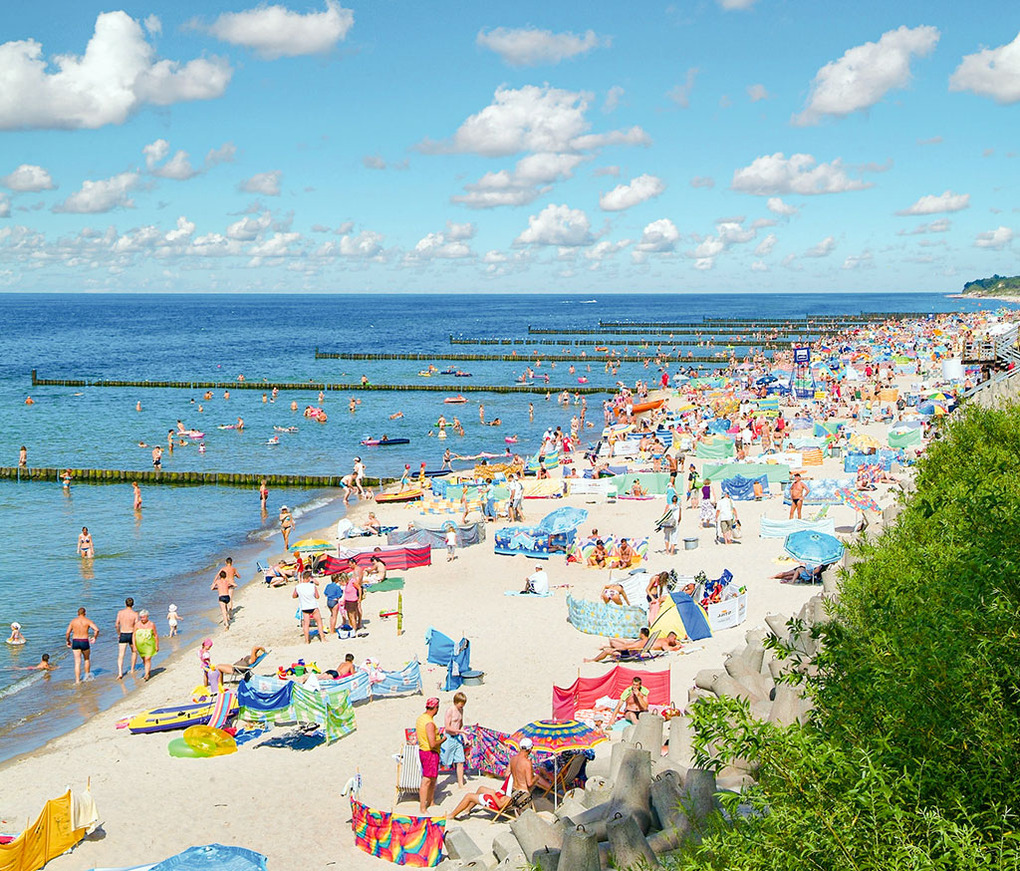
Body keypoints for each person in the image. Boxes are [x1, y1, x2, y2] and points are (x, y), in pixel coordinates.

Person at [449, 738, 550, 819]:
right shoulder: (527, 763)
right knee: (478, 790)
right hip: (517, 795)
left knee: (473, 794)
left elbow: (506, 774)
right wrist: (537, 777)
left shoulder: (513, 759)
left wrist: (516, 773)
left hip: (509, 795)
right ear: (530, 749)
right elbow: (529, 783)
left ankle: (459, 812)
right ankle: (463, 811)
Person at [416, 698, 446, 813]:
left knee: (433, 778)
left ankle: (431, 801)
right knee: (427, 780)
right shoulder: (429, 723)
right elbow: (432, 743)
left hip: (424, 751)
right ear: (435, 708)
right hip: (429, 752)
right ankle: (423, 807)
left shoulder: (421, 718)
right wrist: (442, 739)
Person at [441, 692, 469, 788]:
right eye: (461, 704)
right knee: (444, 761)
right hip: (449, 738)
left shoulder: (461, 710)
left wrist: (465, 738)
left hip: (457, 738)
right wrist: (460, 732)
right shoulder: (450, 711)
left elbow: (461, 725)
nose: (462, 706)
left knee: (460, 761)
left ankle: (460, 784)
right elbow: (447, 727)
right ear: (456, 702)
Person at [65, 607, 99, 684]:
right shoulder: (88, 621)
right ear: (85, 613)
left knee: (77, 662)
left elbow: (67, 633)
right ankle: (87, 677)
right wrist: (94, 637)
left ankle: (77, 681)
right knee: (86, 659)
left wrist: (68, 641)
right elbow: (96, 630)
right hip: (84, 641)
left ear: (77, 613)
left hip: (75, 641)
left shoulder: (73, 621)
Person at [293, 570, 327, 643]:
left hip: (305, 607)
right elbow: (317, 596)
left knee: (306, 624)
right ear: (309, 578)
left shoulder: (298, 587)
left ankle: (307, 640)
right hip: (313, 606)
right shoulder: (312, 586)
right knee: (319, 622)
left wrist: (300, 595)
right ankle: (322, 638)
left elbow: (294, 596)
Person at [115, 597, 139, 679]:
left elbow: (116, 624)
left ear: (125, 604)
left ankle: (120, 672)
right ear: (133, 604)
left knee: (121, 655)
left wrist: (119, 633)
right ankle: (132, 669)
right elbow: (136, 626)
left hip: (123, 633)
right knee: (134, 652)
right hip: (131, 633)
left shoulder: (120, 613)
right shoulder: (135, 614)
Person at [133, 610, 159, 681]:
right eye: (141, 617)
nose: (142, 619)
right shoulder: (137, 625)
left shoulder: (151, 624)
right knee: (144, 659)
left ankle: (146, 674)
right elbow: (134, 635)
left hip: (149, 645)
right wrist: (134, 645)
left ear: (147, 616)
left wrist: (157, 645)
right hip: (140, 646)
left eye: (143, 617)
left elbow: (155, 635)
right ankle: (147, 671)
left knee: (147, 658)